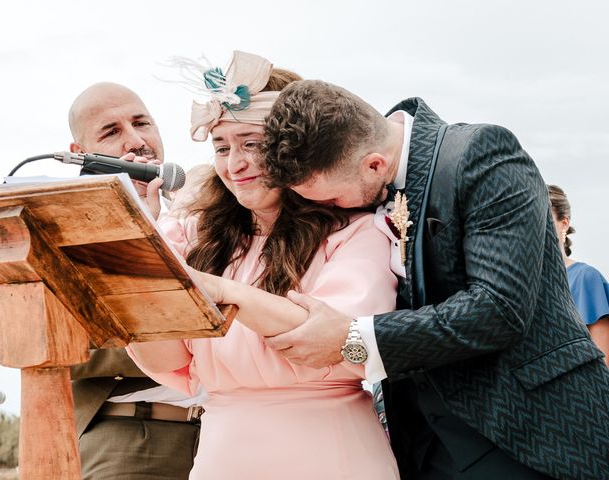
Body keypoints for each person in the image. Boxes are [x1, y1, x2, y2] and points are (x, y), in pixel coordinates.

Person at [260, 80, 609, 480]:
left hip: (530, 433)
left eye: (332, 200)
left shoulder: (483, 154)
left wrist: (349, 337)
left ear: (374, 164)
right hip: (425, 447)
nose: (330, 210)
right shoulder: (364, 181)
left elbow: (500, 308)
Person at [127, 51, 400, 480]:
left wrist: (222, 292)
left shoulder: (356, 233)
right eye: (221, 147)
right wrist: (141, 252)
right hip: (223, 454)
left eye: (250, 145)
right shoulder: (194, 238)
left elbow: (339, 338)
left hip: (331, 451)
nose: (234, 164)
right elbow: (166, 356)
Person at [68, 82, 203, 480]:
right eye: (111, 131)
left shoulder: (206, 202)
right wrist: (188, 341)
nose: (136, 139)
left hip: (228, 431)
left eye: (142, 122)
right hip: (131, 439)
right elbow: (69, 345)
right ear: (79, 152)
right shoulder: (66, 223)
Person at [548, 184, 609, 364]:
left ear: (564, 223)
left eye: (544, 219)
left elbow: (604, 365)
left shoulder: (586, 278)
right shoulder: (524, 284)